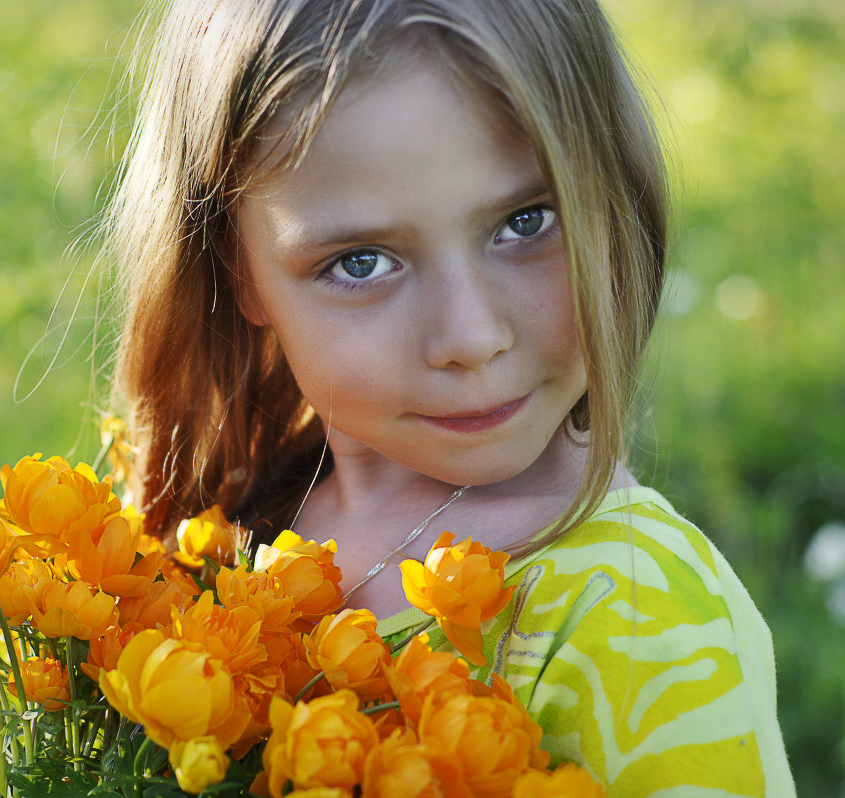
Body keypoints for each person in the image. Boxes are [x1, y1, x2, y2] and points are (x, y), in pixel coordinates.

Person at [103, 0, 796, 793]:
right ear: (238, 272)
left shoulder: (637, 611)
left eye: (527, 221)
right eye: (361, 262)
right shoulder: (233, 517)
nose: (470, 338)